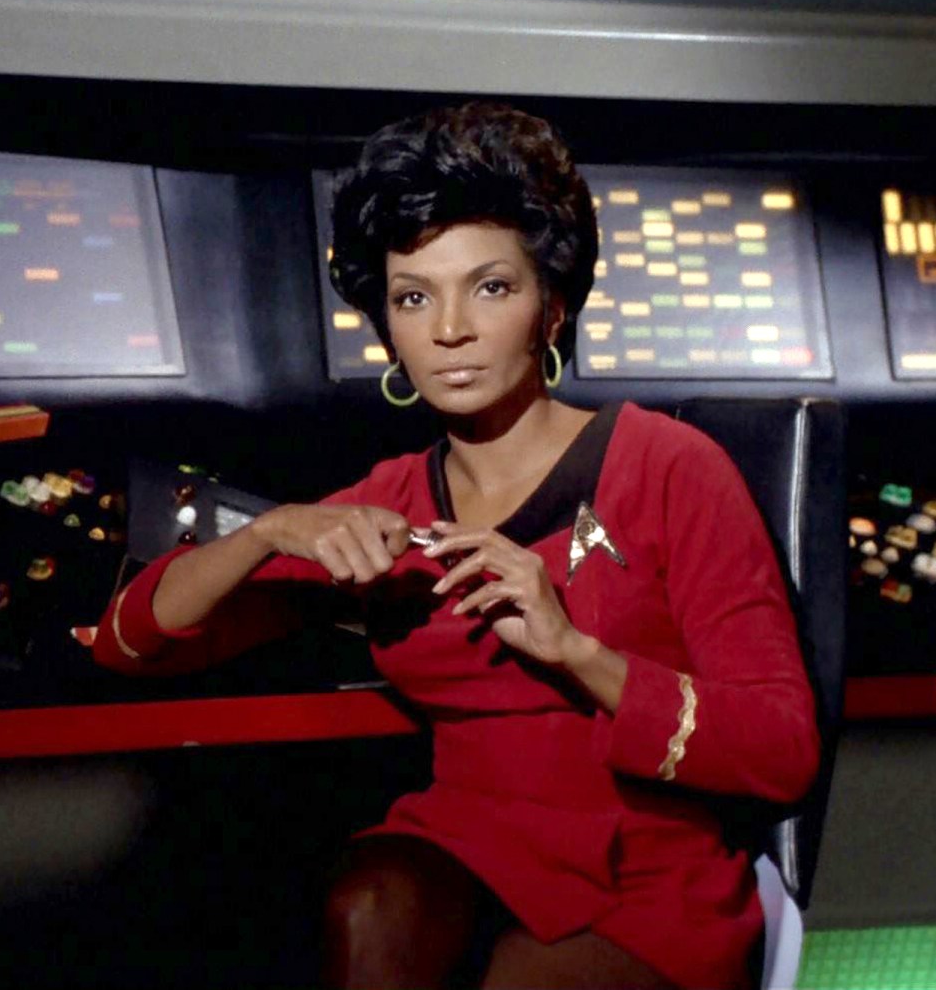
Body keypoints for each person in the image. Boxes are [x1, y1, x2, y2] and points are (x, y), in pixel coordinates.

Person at [94, 101, 820, 989]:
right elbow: (129, 642)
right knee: (364, 903)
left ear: (552, 307)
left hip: (645, 875)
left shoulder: (668, 466)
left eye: (491, 287)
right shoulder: (391, 499)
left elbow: (781, 749)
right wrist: (270, 532)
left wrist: (575, 650)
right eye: (413, 297)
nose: (449, 330)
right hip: (465, 851)